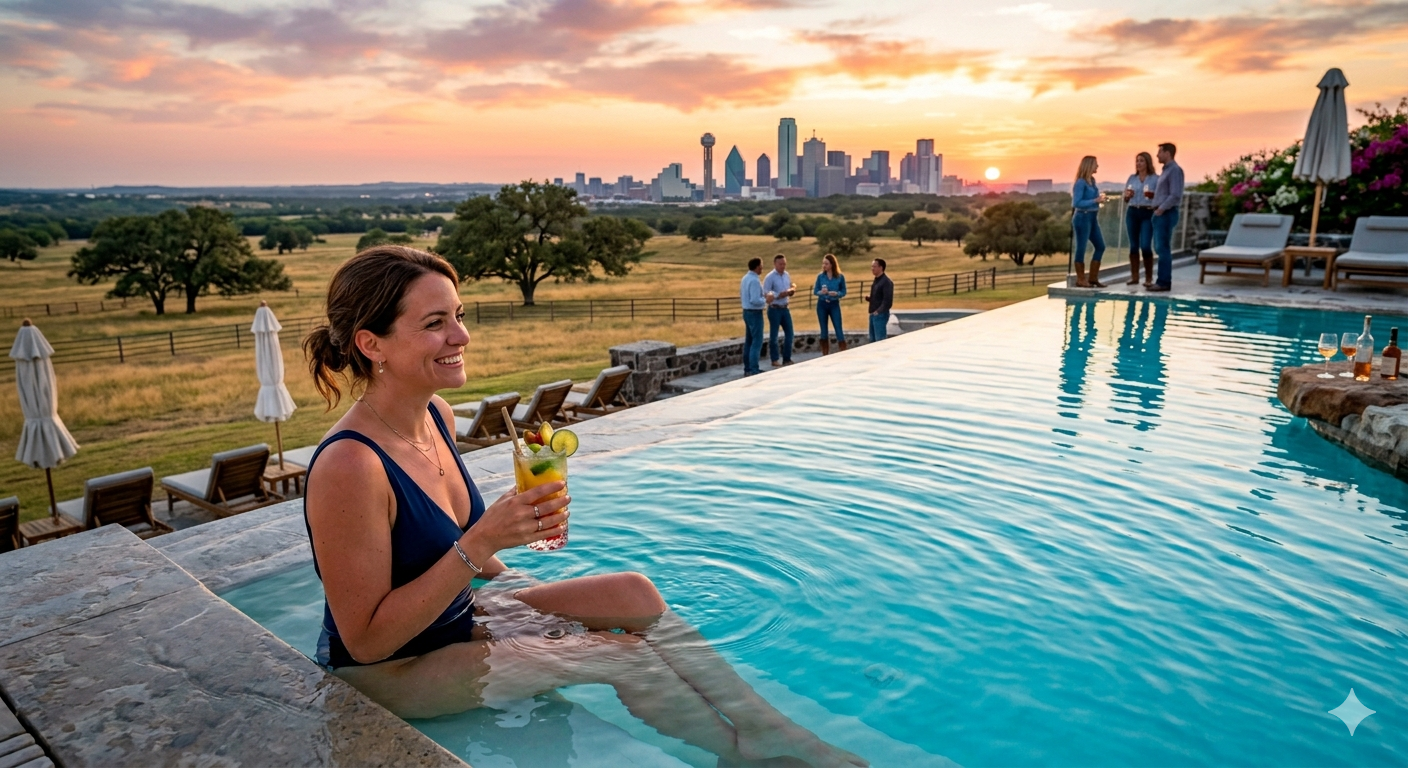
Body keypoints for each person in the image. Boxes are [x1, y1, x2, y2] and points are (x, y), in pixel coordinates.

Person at [301, 246, 866, 768]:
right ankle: (736, 759)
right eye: (434, 324)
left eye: (459, 315)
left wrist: (515, 583)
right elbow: (367, 641)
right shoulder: (351, 466)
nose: (461, 336)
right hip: (392, 670)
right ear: (371, 344)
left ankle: (770, 731)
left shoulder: (436, 416)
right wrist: (483, 543)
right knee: (619, 655)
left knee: (633, 594)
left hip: (462, 615)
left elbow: (449, 554)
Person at [1148, 142, 1184, 293]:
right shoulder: (1166, 170)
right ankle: (1161, 281)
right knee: (1160, 248)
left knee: (1163, 249)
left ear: (1167, 153)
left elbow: (1175, 195)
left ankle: (1163, 282)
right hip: (1160, 213)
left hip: (1165, 214)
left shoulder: (1174, 170)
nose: (1157, 155)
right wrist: (1155, 198)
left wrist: (1161, 208)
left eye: (1159, 152)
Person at [1122, 152, 1158, 286]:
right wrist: (1127, 195)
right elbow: (1125, 198)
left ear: (1148, 162)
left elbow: (1160, 197)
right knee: (1133, 246)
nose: (1138, 163)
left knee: (1146, 246)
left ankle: (1148, 278)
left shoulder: (1155, 179)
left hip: (1147, 213)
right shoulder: (1132, 178)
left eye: (1141, 161)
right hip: (1132, 212)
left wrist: (1153, 195)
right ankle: (1134, 277)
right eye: (1137, 161)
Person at [1071, 156, 1106, 288]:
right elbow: (1076, 203)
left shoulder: (1092, 181)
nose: (1097, 167)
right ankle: (1080, 279)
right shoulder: (1080, 182)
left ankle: (1093, 278)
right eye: (1096, 164)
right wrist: (1094, 201)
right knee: (1081, 247)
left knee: (1100, 246)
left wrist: (1099, 200)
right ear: (1089, 165)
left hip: (1092, 217)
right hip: (1082, 217)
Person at [762, 254, 796, 367]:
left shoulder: (786, 275)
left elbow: (789, 286)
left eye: (784, 264)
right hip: (774, 308)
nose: (783, 266)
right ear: (775, 264)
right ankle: (774, 359)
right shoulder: (770, 277)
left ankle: (787, 358)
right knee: (774, 336)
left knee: (790, 334)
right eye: (780, 264)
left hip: (785, 308)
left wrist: (790, 291)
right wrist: (778, 295)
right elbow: (766, 293)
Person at [813, 253, 847, 355]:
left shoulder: (840, 277)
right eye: (823, 264)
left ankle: (843, 352)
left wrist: (837, 294)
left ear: (832, 264)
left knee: (838, 329)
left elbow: (844, 291)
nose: (824, 266)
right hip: (822, 304)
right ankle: (825, 353)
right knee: (823, 330)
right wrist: (821, 292)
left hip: (834, 304)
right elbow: (815, 291)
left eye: (826, 264)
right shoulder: (820, 277)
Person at [740, 257, 766, 376]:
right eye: (761, 265)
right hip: (754, 312)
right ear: (757, 267)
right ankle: (754, 369)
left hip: (746, 311)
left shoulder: (745, 278)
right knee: (757, 341)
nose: (762, 268)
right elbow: (755, 299)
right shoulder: (755, 280)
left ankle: (747, 368)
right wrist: (766, 299)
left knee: (749, 341)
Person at [865, 258, 893, 342]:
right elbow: (879, 297)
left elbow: (887, 301)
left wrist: (879, 311)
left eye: (874, 266)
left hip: (880, 315)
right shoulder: (877, 280)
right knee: (872, 341)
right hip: (873, 314)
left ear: (881, 268)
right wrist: (870, 299)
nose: (872, 269)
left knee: (880, 341)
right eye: (872, 266)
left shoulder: (886, 282)